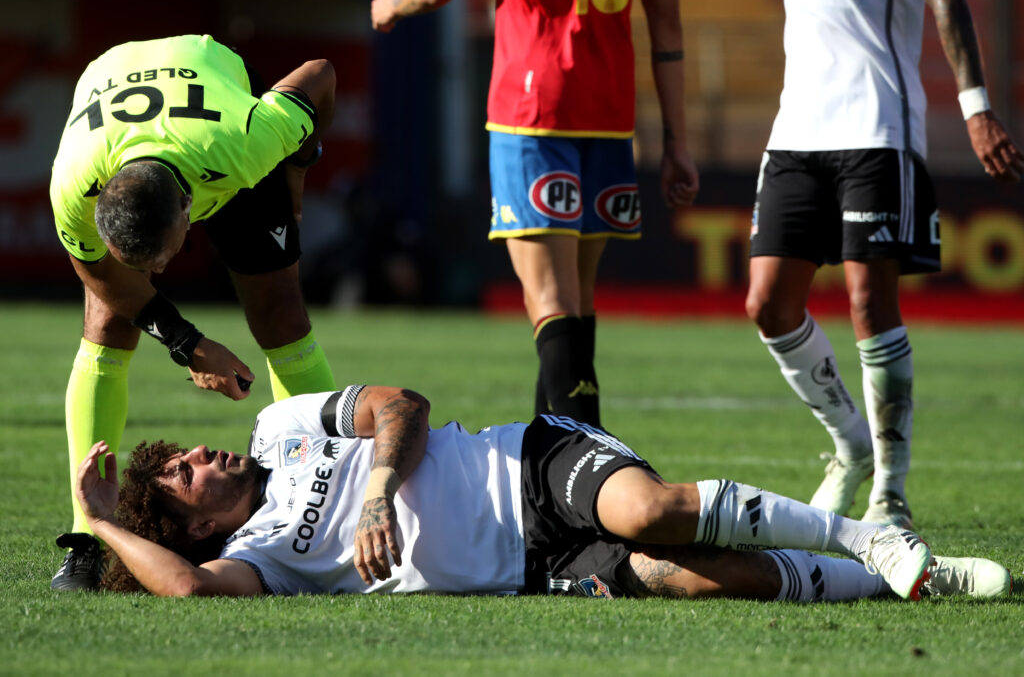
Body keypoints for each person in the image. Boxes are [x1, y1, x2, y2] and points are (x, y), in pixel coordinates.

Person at [75, 385, 1011, 601]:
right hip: (532, 565)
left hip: (525, 460)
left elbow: (401, 403)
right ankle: (904, 584)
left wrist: (375, 497)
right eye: (181, 472)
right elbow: (189, 592)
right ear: (194, 523)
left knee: (649, 510)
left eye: (186, 450)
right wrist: (100, 522)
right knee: (688, 577)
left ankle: (871, 535)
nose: (199, 452)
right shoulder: (256, 559)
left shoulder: (281, 428)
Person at [48, 34, 340, 590]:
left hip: (212, 108)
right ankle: (86, 536)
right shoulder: (72, 187)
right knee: (107, 322)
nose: (156, 275)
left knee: (280, 312)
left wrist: (298, 163)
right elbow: (100, 276)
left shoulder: (248, 143)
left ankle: (330, 491)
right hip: (113, 86)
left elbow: (320, 72)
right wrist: (187, 342)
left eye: (163, 258)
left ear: (191, 210)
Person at [745, 0, 1024, 528]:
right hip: (795, 132)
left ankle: (890, 495)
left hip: (875, 126)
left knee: (869, 303)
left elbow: (948, 2)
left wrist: (976, 108)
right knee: (767, 303)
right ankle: (853, 447)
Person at [370, 0, 700, 427]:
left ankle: (588, 461)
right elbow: (668, 29)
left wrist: (392, 4)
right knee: (576, 300)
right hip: (609, 113)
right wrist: (676, 141)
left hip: (533, 109)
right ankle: (548, 467)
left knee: (551, 300)